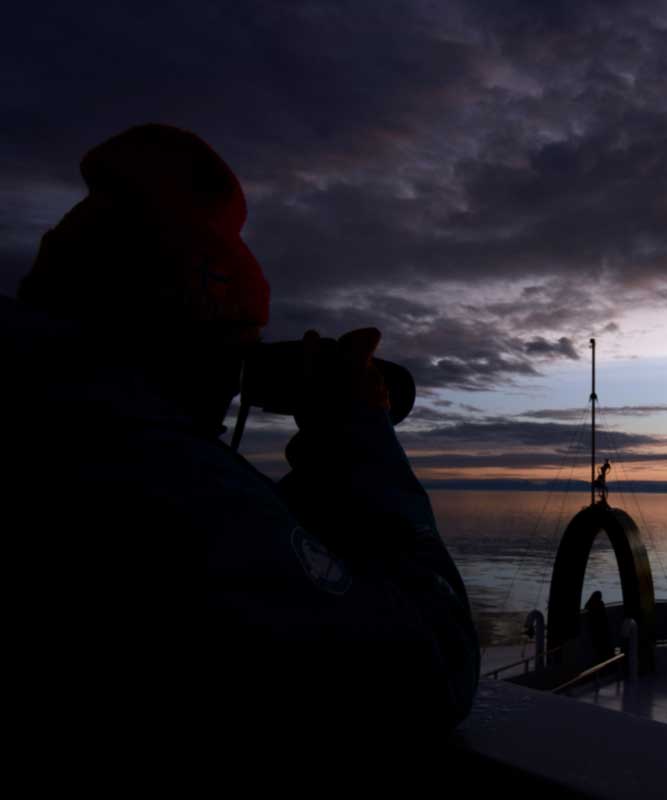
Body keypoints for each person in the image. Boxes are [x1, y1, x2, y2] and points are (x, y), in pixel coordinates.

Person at [2, 124, 479, 744]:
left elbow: (268, 561)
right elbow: (432, 669)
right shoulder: (146, 468)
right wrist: (360, 434)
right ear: (186, 343)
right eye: (235, 354)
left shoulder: (55, 415)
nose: (235, 387)